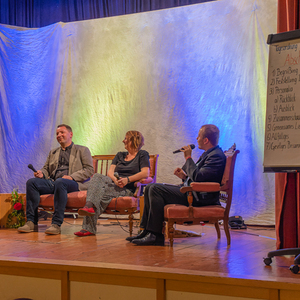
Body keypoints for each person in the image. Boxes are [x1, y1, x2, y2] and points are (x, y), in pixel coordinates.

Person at [127, 124, 226, 246]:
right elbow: (202, 177)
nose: (196, 138)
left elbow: (199, 178)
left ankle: (155, 235)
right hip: (193, 192)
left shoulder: (216, 156)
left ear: (206, 140)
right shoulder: (209, 153)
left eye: (199, 136)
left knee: (155, 188)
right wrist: (184, 177)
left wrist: (188, 157)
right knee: (150, 188)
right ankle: (146, 231)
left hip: (199, 198)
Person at [18, 124, 94, 235]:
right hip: (55, 183)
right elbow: (46, 169)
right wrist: (42, 174)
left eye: (62, 132)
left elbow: (89, 170)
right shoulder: (53, 152)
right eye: (57, 133)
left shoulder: (82, 150)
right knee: (31, 183)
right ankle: (31, 222)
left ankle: (56, 224)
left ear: (70, 134)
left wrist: (71, 177)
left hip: (74, 183)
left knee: (61, 182)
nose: (59, 135)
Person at [74, 130, 150, 237]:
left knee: (100, 193)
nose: (123, 141)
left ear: (133, 140)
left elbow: (145, 173)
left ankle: (88, 227)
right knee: (97, 176)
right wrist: (116, 181)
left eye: (126, 139)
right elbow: (110, 172)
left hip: (128, 189)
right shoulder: (120, 155)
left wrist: (127, 180)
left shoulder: (142, 154)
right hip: (115, 184)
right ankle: (89, 207)